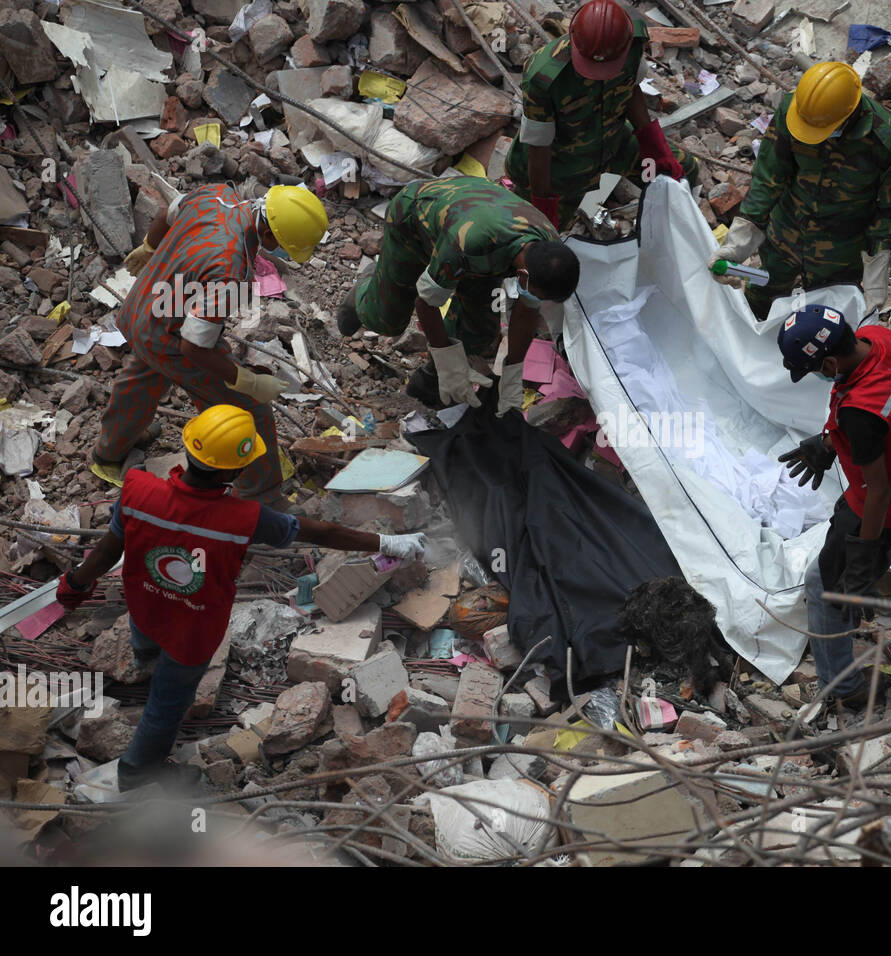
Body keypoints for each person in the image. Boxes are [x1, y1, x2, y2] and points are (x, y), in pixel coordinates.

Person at [57, 405, 428, 791]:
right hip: (193, 634)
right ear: (235, 469)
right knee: (167, 705)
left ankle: (145, 656)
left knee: (147, 637)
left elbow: (106, 550)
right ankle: (137, 771)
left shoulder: (137, 489)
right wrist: (386, 541)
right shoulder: (244, 518)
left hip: (146, 606)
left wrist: (77, 583)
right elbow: (319, 532)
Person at [94, 184, 328, 506]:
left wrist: (149, 247)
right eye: (284, 246)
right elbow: (193, 347)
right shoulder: (230, 271)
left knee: (142, 377)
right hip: (168, 336)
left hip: (140, 309)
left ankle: (109, 452)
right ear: (270, 235)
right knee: (248, 408)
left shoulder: (215, 196)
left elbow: (166, 213)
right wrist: (248, 381)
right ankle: (259, 497)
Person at [776, 305, 891, 708]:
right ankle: (869, 577)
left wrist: (861, 556)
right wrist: (829, 442)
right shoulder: (881, 339)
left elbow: (879, 492)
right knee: (847, 570)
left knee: (825, 584)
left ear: (831, 362)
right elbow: (889, 419)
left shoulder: (859, 412)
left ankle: (844, 689)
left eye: (817, 369)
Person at [335, 176, 580, 416]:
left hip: (482, 232)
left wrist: (513, 373)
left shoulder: (548, 252)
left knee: (479, 332)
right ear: (524, 276)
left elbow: (527, 310)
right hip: (415, 221)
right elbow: (426, 302)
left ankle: (430, 381)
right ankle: (366, 291)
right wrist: (448, 365)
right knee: (387, 321)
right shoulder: (468, 246)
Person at [709, 61, 891, 322]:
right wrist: (738, 243)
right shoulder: (793, 109)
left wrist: (874, 276)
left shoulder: (890, 140)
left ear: (847, 115)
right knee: (759, 300)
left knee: (824, 326)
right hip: (784, 235)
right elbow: (768, 177)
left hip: (840, 253)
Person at [505, 0, 698, 231]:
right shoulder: (544, 76)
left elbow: (631, 89)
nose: (599, 76)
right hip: (561, 167)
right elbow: (539, 146)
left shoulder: (632, 37)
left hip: (615, 143)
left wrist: (653, 147)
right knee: (544, 235)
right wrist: (543, 203)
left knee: (682, 170)